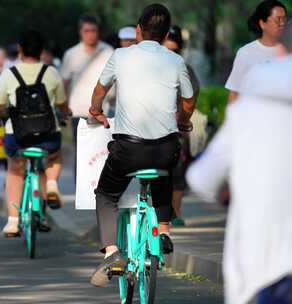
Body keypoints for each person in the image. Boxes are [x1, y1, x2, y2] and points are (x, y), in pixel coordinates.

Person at [88, 4, 196, 287]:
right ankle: (163, 230)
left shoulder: (121, 55)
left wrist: (96, 110)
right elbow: (188, 100)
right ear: (165, 33)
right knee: (164, 170)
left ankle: (112, 252)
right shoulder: (175, 60)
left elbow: (100, 90)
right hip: (165, 148)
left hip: (129, 149)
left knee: (107, 193)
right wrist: (183, 121)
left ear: (138, 29)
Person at [186, 24, 292, 304]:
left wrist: (226, 192)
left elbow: (201, 178)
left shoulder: (247, 113)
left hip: (267, 268)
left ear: (280, 51)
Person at [0, 29, 70, 237]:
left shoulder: (9, 74)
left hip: (17, 136)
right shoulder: (51, 73)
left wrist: (3, 113)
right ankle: (52, 184)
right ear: (41, 51)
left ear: (20, 50)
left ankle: (12, 221)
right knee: (53, 156)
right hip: (46, 134)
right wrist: (66, 114)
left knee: (15, 170)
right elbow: (62, 105)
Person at [61, 14, 112, 178]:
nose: (90, 34)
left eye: (94, 30)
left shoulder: (108, 52)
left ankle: (99, 192)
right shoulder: (71, 54)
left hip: (103, 111)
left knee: (102, 153)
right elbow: (65, 83)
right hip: (79, 111)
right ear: (80, 32)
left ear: (99, 32)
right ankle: (82, 194)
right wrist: (64, 108)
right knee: (81, 153)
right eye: (86, 31)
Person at [163, 25, 203, 226]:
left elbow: (192, 94)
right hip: (154, 125)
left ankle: (175, 212)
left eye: (174, 50)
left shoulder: (186, 69)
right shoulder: (152, 66)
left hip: (177, 126)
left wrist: (184, 119)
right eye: (166, 50)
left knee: (178, 170)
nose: (170, 54)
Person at [225, 0, 287, 103]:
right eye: (278, 19)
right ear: (262, 23)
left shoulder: (289, 50)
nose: (282, 24)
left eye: (284, 19)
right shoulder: (246, 53)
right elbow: (235, 93)